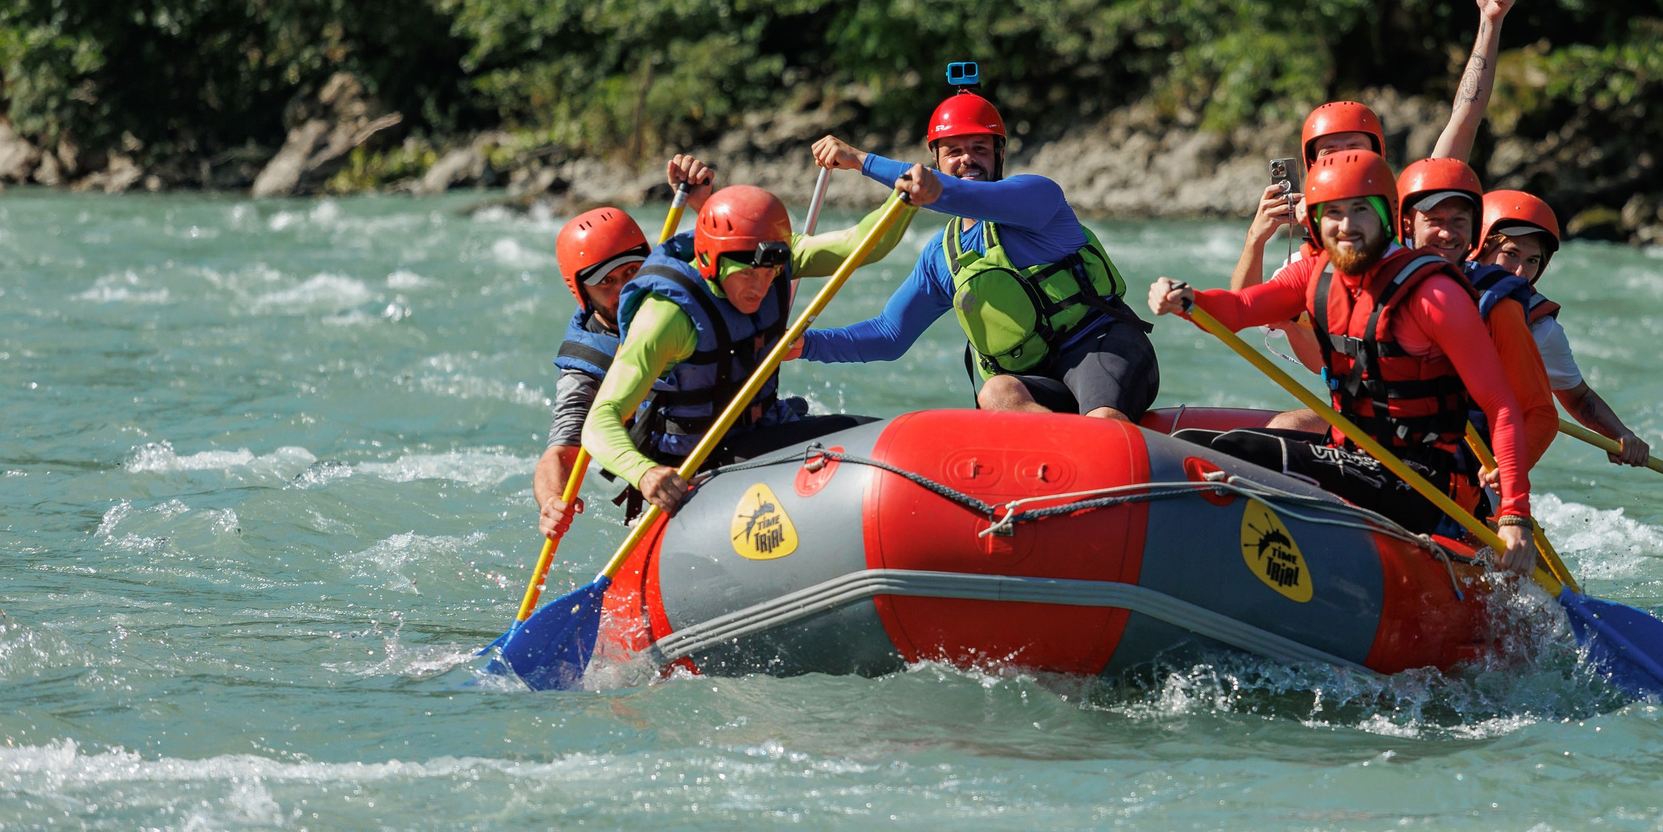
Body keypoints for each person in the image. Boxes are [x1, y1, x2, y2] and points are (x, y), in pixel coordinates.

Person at [1148, 148, 1536, 570]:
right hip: (1353, 452)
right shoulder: (1315, 274)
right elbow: (1239, 308)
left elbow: (1502, 407)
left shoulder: (1435, 295)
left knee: (1230, 451)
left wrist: (1515, 514)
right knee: (1187, 445)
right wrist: (1187, 298)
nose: (1346, 226)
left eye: (1359, 211)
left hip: (1422, 482)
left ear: (1388, 217)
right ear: (1314, 220)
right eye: (1332, 212)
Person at [795, 88, 1159, 422]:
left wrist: (861, 160)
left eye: (979, 148)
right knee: (996, 392)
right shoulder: (941, 256)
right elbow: (889, 334)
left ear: (1000, 154)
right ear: (936, 158)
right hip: (1034, 382)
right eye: (954, 151)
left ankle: (1101, 449)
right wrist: (805, 345)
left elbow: (957, 195)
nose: (967, 159)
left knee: (1101, 420)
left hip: (1101, 348)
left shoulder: (1038, 197)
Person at [581, 156, 906, 516]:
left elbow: (862, 244)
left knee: (885, 442)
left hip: (760, 434)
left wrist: (905, 196)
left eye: (771, 273)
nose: (762, 286)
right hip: (691, 465)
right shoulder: (666, 317)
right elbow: (599, 420)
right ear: (709, 260)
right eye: (748, 274)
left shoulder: (775, 258)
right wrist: (643, 473)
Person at [1230, 0, 1516, 297]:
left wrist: (1490, 22)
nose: (1343, 163)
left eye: (1354, 149)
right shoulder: (1301, 261)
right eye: (1330, 154)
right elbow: (1242, 310)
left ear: (1378, 156)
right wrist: (1257, 238)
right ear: (1311, 167)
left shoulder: (1410, 219)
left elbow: (1464, 118)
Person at [1393, 157, 1560, 470]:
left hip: (1444, 466)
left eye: (1459, 222)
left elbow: (1547, 411)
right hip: (1375, 445)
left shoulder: (1503, 308)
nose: (1522, 270)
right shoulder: (1373, 284)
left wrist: (1507, 486)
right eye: (1433, 220)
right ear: (1405, 224)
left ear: (1472, 233)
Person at [1471, 189, 1653, 467]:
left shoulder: (1541, 328)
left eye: (1532, 260)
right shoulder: (1436, 287)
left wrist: (1622, 435)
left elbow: (1579, 398)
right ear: (1480, 246)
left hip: (1482, 463)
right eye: (1511, 254)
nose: (1520, 272)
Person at [532, 204, 654, 539]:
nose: (624, 291)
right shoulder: (585, 367)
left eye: (631, 272)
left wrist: (703, 201)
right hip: (668, 474)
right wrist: (551, 501)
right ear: (583, 292)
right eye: (607, 283)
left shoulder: (677, 294)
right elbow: (559, 453)